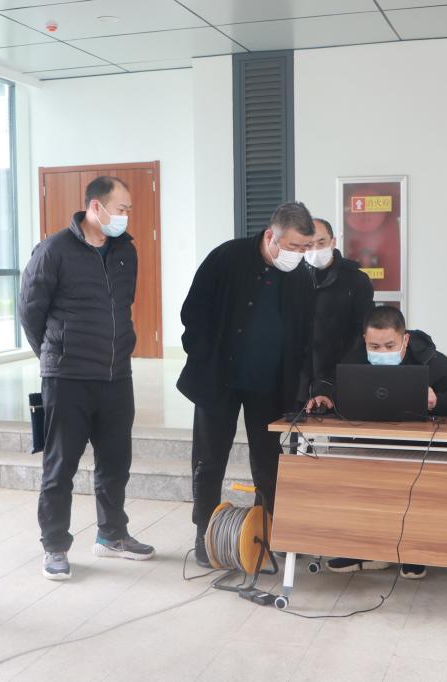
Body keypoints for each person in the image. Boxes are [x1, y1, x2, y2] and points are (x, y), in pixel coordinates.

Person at [19, 176, 154, 581]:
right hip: (68, 377)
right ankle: (55, 546)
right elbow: (30, 310)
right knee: (60, 466)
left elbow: (123, 306)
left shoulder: (125, 251)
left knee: (115, 462)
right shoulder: (54, 250)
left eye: (128, 210)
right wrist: (54, 353)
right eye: (121, 208)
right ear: (96, 207)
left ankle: (112, 534)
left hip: (116, 375)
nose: (126, 216)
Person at [178, 202, 316, 567]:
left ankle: (269, 530)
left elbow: (305, 335)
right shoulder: (228, 257)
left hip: (270, 385)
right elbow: (194, 311)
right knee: (209, 459)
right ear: (271, 236)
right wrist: (204, 355)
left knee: (269, 463)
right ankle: (205, 533)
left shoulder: (302, 277)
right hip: (218, 379)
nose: (299, 255)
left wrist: (304, 386)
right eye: (293, 246)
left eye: (305, 248)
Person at [323, 305, 447, 579]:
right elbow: (333, 390)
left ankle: (414, 550)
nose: (381, 353)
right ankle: (364, 548)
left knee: (416, 476)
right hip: (371, 444)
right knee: (345, 466)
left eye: (389, 345)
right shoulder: (355, 358)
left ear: (405, 339)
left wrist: (437, 401)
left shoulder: (432, 361)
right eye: (374, 346)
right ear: (365, 340)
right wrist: (325, 396)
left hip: (421, 447)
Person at [301, 217, 374, 414]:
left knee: (340, 429)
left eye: (321, 242)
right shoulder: (294, 278)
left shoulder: (356, 280)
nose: (315, 249)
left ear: (333, 242)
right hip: (300, 382)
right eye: (309, 244)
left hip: (342, 379)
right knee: (295, 430)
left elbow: (362, 334)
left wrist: (332, 381)